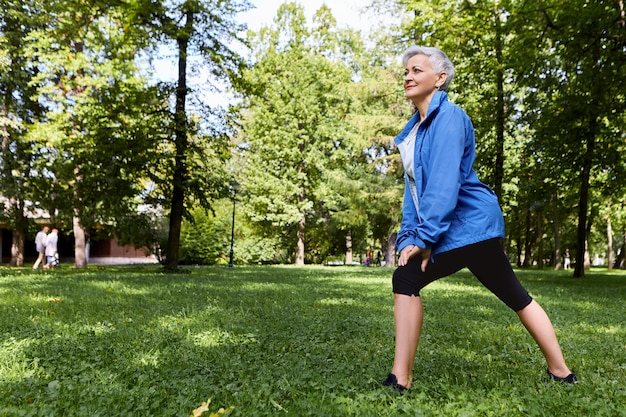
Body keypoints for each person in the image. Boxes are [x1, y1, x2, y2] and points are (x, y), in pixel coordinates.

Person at [383, 46, 576, 393]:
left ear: (440, 78)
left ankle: (400, 379)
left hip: (468, 225)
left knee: (406, 279)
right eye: (406, 72)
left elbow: (443, 186)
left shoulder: (450, 118)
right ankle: (561, 372)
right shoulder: (416, 131)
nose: (408, 77)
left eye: (417, 70)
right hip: (467, 229)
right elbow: (412, 193)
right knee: (517, 296)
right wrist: (408, 236)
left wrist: (425, 239)